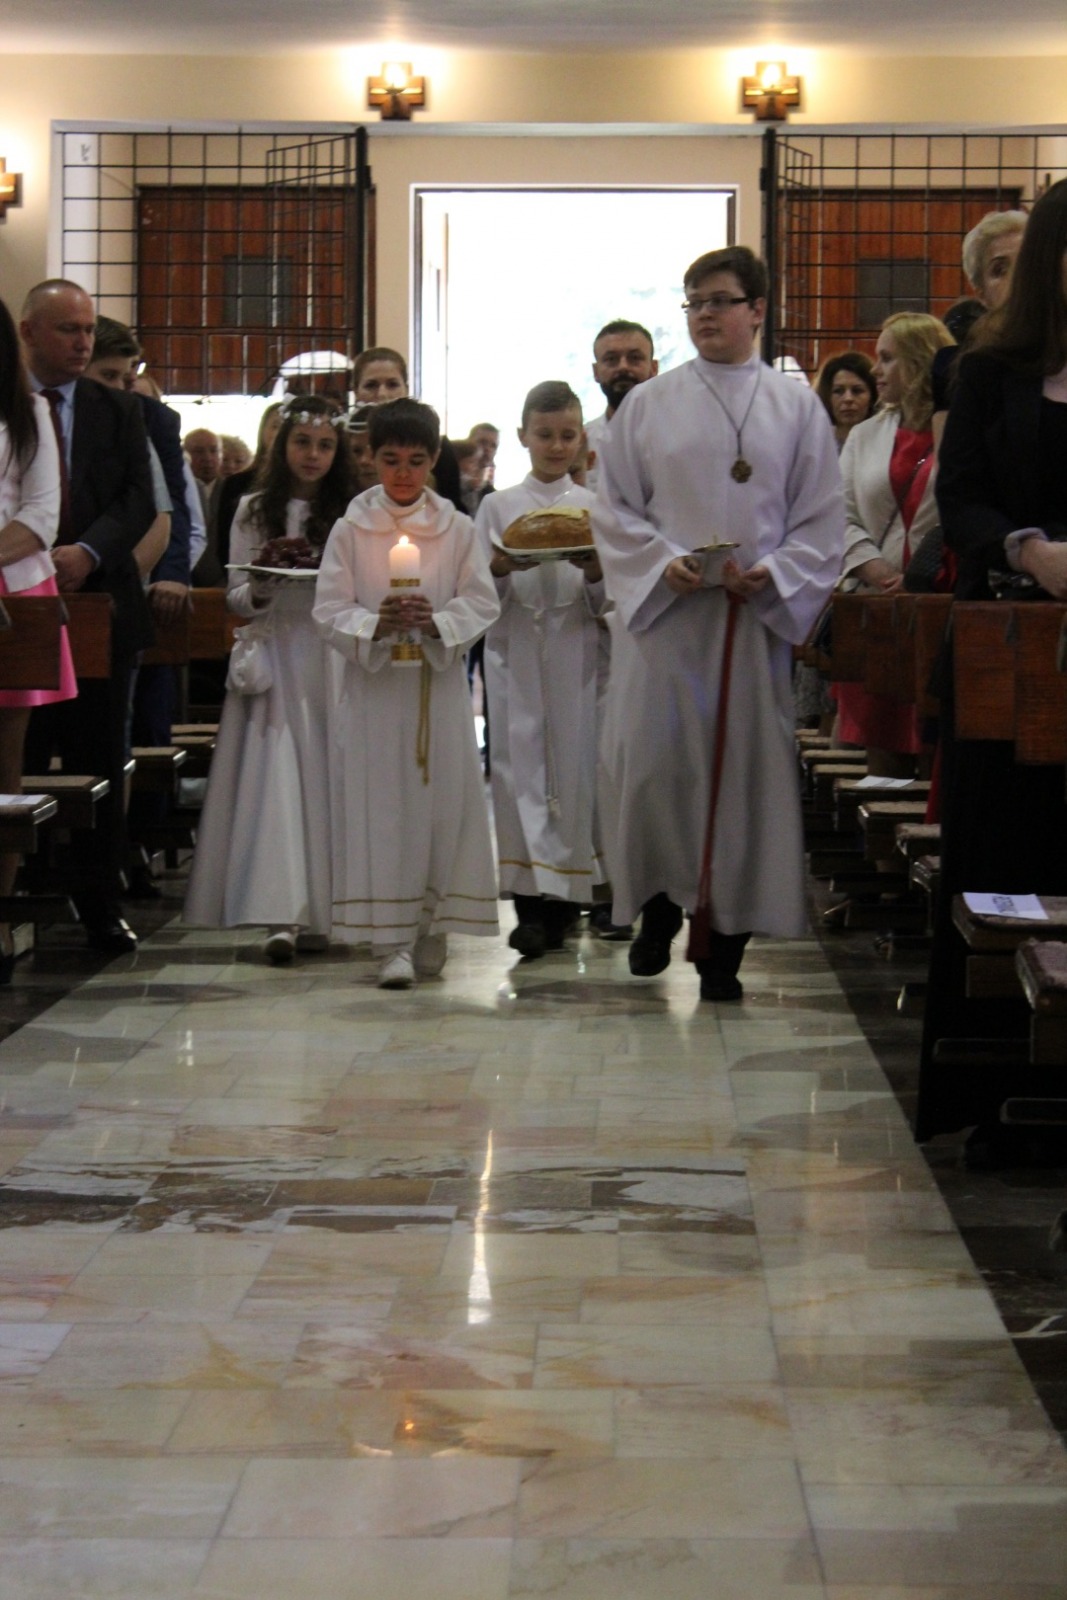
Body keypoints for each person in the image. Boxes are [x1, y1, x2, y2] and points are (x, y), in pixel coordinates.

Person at [594, 245, 844, 1002]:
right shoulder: (649, 404)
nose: (704, 314)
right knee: (655, 771)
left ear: (756, 309)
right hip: (667, 622)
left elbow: (820, 518)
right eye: (694, 302)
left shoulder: (795, 407)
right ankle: (657, 908)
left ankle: (724, 946)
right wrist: (660, 563)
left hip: (747, 620)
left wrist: (777, 573)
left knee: (740, 780)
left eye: (719, 301)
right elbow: (613, 509)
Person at [916, 176, 1067, 1149]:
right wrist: (1027, 548)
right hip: (1011, 653)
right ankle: (997, 1088)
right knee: (1007, 861)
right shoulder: (989, 370)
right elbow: (959, 496)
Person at [313, 397, 499, 989]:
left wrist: (437, 621)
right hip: (375, 695)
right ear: (369, 457)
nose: (402, 473)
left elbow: (482, 601)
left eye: (416, 461)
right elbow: (328, 609)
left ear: (435, 458)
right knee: (383, 811)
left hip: (435, 692)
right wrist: (376, 623)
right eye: (390, 460)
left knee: (441, 807)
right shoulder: (351, 528)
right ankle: (390, 942)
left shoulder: (457, 528)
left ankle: (432, 922)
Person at [183, 395, 352, 963]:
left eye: (325, 445)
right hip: (278, 654)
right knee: (277, 778)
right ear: (282, 446)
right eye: (302, 442)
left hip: (331, 654)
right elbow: (235, 593)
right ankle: (282, 913)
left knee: (330, 775)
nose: (313, 454)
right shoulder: (253, 508)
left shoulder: (351, 510)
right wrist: (259, 588)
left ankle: (331, 910)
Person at [20, 278, 155, 954]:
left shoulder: (117, 409)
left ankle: (99, 902)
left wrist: (87, 551)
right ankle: (22, 889)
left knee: (99, 754)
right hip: (21, 600)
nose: (82, 342)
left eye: (88, 329)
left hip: (99, 599)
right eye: (67, 329)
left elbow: (138, 498)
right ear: (28, 334)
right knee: (22, 751)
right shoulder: (10, 405)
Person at [476, 380, 610, 958]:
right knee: (517, 771)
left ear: (582, 441)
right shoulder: (497, 506)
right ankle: (530, 906)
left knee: (576, 771)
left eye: (567, 435)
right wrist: (500, 570)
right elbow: (477, 592)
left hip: (577, 647)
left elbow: (611, 598)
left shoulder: (596, 509)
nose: (556, 446)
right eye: (545, 435)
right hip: (517, 649)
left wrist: (597, 571)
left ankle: (568, 899)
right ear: (523, 436)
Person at [832, 312, 954, 772]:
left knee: (938, 753)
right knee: (883, 762)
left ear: (919, 362)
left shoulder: (959, 427)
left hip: (939, 605)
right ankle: (881, 820)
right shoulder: (865, 436)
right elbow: (838, 517)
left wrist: (922, 575)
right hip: (876, 610)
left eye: (887, 358)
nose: (875, 370)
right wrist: (879, 572)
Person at [0, 295, 78, 980]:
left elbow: (41, 515)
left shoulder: (27, 413)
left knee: (5, 765)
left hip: (13, 588)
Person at [584, 320, 658, 491]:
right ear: (596, 372)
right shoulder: (580, 444)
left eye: (634, 358)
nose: (623, 367)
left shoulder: (680, 435)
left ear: (654, 368)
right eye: (611, 359)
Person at [812, 351, 877, 450]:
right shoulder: (815, 443)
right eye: (838, 391)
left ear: (873, 396)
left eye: (857, 391)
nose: (848, 398)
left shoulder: (886, 439)